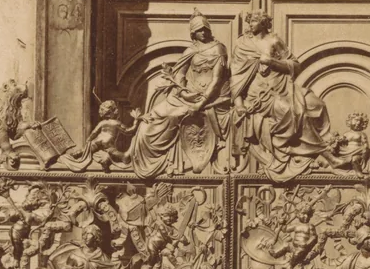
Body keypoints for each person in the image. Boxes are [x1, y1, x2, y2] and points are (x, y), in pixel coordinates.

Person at [231, 10, 332, 181]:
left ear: (263, 23)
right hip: (260, 95)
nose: (250, 24)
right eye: (249, 21)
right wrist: (239, 105)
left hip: (283, 87)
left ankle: (329, 143)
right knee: (292, 111)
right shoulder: (242, 44)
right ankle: (324, 153)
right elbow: (236, 77)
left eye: (254, 21)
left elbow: (295, 66)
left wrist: (272, 62)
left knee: (317, 104)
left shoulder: (274, 41)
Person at [129, 10, 229, 177]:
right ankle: (147, 160)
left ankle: (167, 163)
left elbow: (217, 80)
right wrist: (183, 92)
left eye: (205, 29)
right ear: (193, 33)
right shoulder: (191, 50)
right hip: (186, 95)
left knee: (171, 117)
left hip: (208, 98)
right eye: (199, 30)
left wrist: (199, 103)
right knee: (153, 117)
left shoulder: (218, 49)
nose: (203, 32)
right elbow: (180, 74)